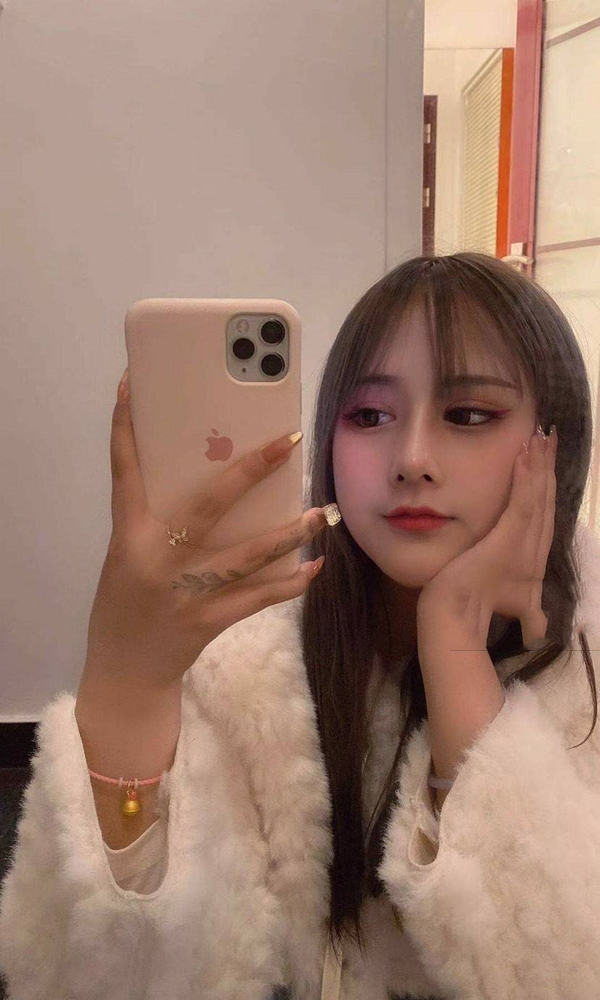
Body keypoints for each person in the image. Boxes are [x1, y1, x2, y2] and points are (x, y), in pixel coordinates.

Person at [1, 252, 599, 1000]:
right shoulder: (244, 663)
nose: (412, 459)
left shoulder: (586, 671)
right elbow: (100, 977)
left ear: (556, 443)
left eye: (469, 415)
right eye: (369, 416)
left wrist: (455, 651)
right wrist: (126, 684)